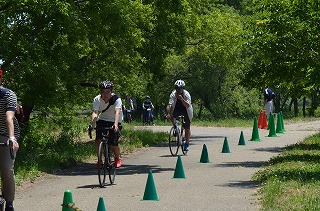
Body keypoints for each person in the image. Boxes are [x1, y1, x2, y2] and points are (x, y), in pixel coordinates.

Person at [88, 80, 123, 168]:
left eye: (108, 92)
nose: (105, 94)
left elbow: (117, 112)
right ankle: (100, 160)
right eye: (103, 92)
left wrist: (115, 124)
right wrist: (92, 125)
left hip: (115, 120)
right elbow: (95, 113)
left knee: (113, 144)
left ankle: (117, 158)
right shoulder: (97, 99)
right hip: (103, 119)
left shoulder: (116, 99)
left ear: (111, 92)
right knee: (98, 140)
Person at [0, 69, 20, 211]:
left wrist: (11, 137)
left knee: (6, 169)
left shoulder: (9, 95)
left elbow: (9, 118)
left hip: (7, 133)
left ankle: (10, 202)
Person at [167, 80, 193, 151]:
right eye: (177, 88)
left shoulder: (186, 94)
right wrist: (169, 114)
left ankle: (187, 143)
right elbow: (170, 105)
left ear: (183, 88)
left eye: (180, 88)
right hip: (177, 109)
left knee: (187, 127)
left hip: (186, 110)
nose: (178, 90)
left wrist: (182, 99)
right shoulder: (173, 94)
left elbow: (187, 105)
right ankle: (175, 128)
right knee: (172, 116)